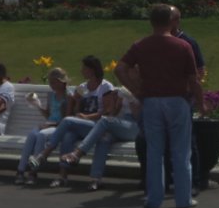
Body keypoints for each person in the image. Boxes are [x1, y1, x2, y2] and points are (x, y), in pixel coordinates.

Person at [116, 4, 205, 208]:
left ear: (151, 22)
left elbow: (120, 68)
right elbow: (194, 80)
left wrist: (136, 89)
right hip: (177, 100)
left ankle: (154, 198)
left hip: (152, 101)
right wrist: (201, 103)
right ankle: (183, 198)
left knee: (154, 152)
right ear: (172, 21)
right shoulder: (183, 46)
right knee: (181, 152)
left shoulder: (140, 45)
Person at [135, 6, 209, 193]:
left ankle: (192, 183)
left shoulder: (187, 43)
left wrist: (193, 93)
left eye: (175, 19)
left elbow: (198, 72)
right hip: (161, 97)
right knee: (153, 143)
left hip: (180, 97)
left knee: (184, 145)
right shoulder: (155, 43)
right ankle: (162, 183)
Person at [27, 55, 112, 187]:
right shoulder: (83, 86)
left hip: (96, 125)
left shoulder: (105, 86)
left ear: (92, 69)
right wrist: (77, 102)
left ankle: (43, 154)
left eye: (84, 68)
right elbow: (76, 108)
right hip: (82, 124)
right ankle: (62, 176)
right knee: (67, 136)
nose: (81, 71)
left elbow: (107, 111)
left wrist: (87, 117)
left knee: (67, 121)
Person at [60, 86, 141, 191]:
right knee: (104, 138)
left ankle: (77, 153)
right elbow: (114, 113)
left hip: (135, 127)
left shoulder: (142, 90)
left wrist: (131, 99)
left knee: (104, 121)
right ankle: (96, 179)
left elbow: (139, 116)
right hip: (121, 125)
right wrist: (115, 101)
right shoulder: (123, 90)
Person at [14, 67, 70, 185]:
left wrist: (50, 124)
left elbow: (66, 120)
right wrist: (38, 105)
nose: (51, 85)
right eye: (50, 82)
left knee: (41, 135)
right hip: (49, 125)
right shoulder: (52, 96)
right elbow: (49, 114)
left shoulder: (68, 97)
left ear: (61, 82)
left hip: (59, 127)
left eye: (54, 82)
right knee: (31, 135)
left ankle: (33, 172)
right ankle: (20, 170)